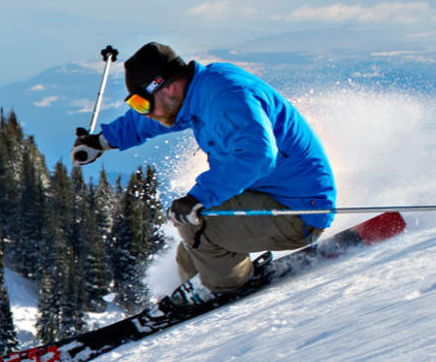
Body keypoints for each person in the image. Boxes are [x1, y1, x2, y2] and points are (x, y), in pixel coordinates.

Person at [70, 42, 337, 295]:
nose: (145, 112)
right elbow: (150, 122)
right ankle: (189, 291)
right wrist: (102, 141)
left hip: (299, 212)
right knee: (192, 239)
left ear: (167, 87)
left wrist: (200, 197)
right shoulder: (198, 92)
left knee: (199, 224)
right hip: (274, 196)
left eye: (142, 103)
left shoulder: (227, 98)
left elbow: (257, 155)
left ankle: (224, 289)